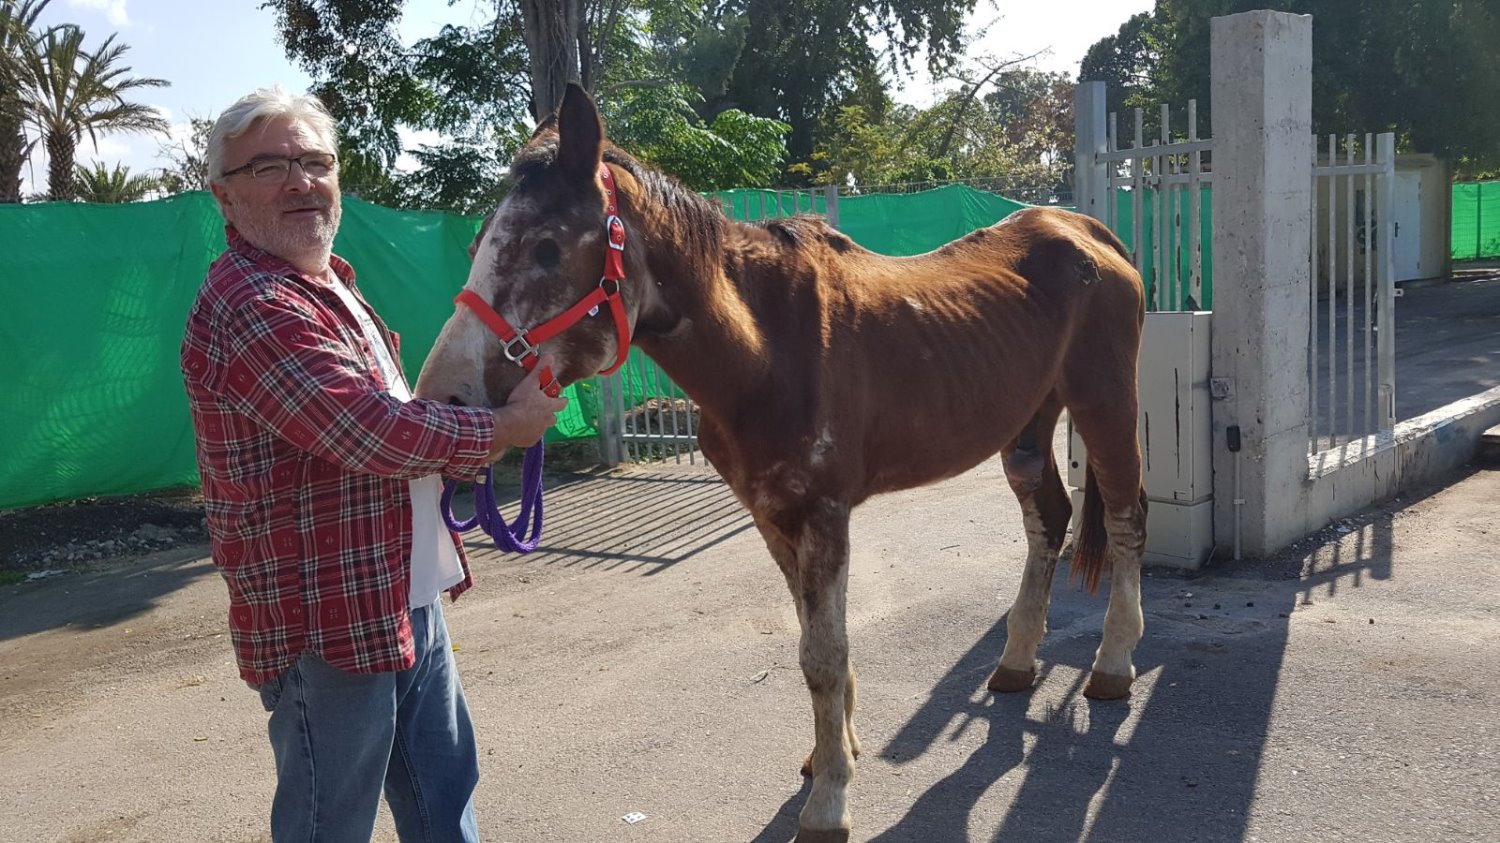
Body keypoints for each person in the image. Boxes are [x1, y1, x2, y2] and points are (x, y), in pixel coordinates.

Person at [179, 85, 566, 842]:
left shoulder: (331, 285)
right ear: (225, 197)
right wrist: (501, 427)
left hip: (401, 591)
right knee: (331, 823)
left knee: (444, 798)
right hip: (325, 618)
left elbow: (390, 421)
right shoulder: (250, 300)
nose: (300, 181)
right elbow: (364, 429)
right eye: (269, 167)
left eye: (314, 161)